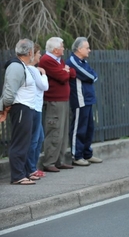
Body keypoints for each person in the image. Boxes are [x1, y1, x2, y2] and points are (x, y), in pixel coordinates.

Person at [0, 39, 37, 185]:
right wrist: (6, 107)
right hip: (21, 108)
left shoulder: (22, 66)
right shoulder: (16, 66)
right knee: (19, 143)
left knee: (25, 142)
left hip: (26, 108)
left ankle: (24, 172)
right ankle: (17, 176)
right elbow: (9, 91)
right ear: (29, 52)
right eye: (33, 51)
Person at [39, 37, 76, 172]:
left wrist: (67, 70)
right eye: (61, 46)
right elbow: (63, 77)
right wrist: (65, 71)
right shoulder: (47, 60)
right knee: (54, 131)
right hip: (54, 100)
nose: (63, 48)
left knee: (63, 131)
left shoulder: (58, 60)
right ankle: (49, 161)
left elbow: (72, 73)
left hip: (63, 100)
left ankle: (59, 160)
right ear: (55, 49)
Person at [66, 37, 102, 166]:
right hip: (79, 99)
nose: (89, 50)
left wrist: (92, 76)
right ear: (79, 49)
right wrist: (91, 76)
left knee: (89, 128)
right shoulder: (73, 62)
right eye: (87, 48)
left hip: (88, 99)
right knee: (79, 128)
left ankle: (87, 153)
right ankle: (77, 155)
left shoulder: (83, 62)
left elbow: (94, 75)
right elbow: (90, 76)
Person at [25, 43, 49, 178]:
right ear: (33, 55)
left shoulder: (33, 69)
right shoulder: (34, 70)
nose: (40, 55)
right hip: (35, 107)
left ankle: (33, 166)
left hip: (36, 107)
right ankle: (31, 169)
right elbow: (44, 86)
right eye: (39, 53)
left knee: (39, 138)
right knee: (35, 139)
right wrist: (44, 74)